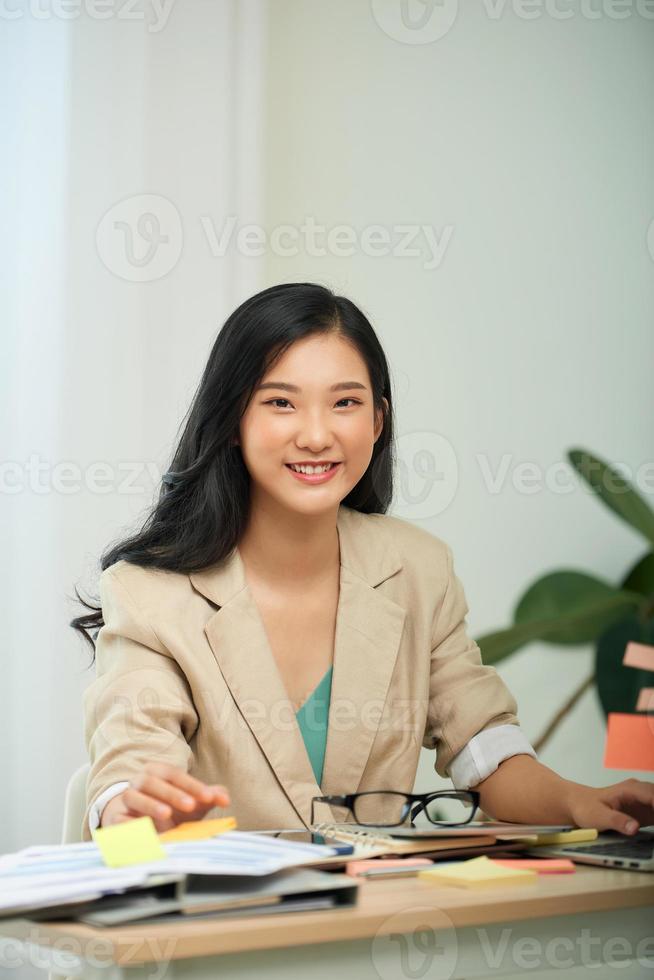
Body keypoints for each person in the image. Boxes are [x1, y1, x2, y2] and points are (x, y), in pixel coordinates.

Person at [71, 282, 654, 841]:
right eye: (280, 403)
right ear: (232, 423)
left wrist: (579, 802)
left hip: (376, 925)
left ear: (377, 422)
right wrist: (129, 807)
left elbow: (484, 750)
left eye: (345, 403)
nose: (318, 435)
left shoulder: (418, 570)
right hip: (217, 928)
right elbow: (131, 762)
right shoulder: (150, 593)